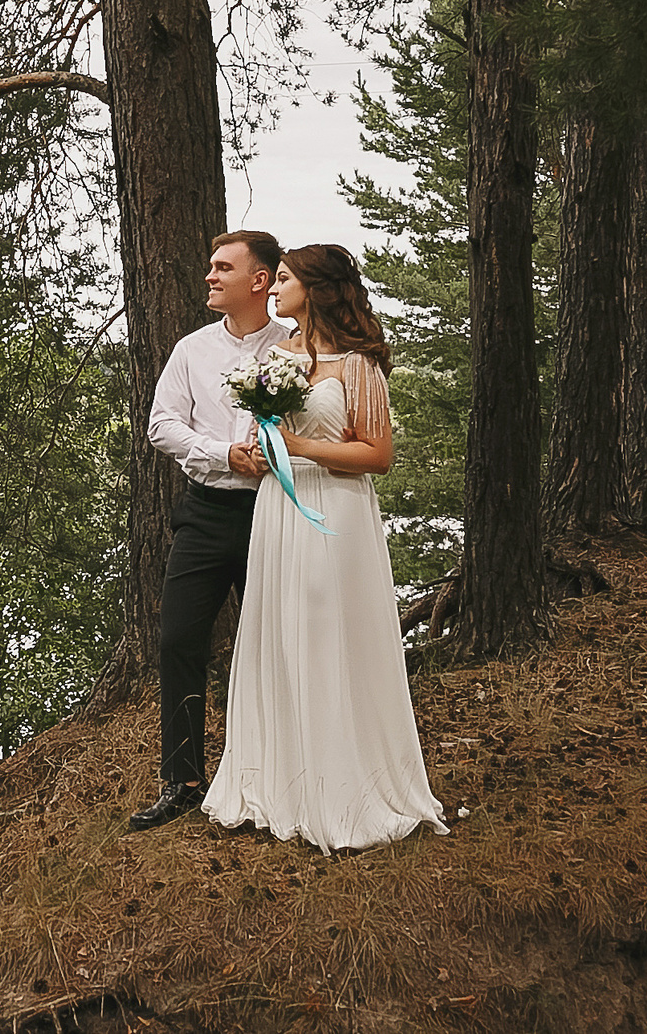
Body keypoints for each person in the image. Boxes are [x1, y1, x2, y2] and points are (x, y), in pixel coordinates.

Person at [205, 243, 447, 852]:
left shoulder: (356, 364)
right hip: (277, 510)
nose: (274, 289)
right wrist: (263, 451)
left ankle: (343, 783)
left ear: (314, 289)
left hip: (334, 510)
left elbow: (377, 455)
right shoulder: (276, 357)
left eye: (283, 279)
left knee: (327, 631)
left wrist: (302, 449)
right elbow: (267, 434)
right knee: (280, 631)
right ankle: (281, 781)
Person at [127, 230, 292, 832]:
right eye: (211, 266)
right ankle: (183, 780)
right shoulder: (191, 350)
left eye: (223, 268)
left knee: (275, 646)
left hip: (274, 513)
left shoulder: (295, 348)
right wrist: (223, 453)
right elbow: (162, 425)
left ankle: (279, 776)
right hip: (202, 514)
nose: (210, 276)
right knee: (178, 641)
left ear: (259, 280)